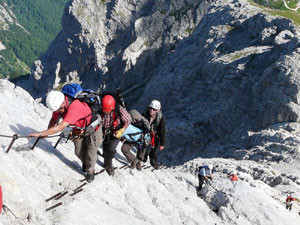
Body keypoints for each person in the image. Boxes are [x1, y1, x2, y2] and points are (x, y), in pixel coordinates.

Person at [28, 91, 102, 183]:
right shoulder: (59, 107)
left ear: (63, 102)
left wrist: (40, 134)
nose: (59, 111)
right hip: (79, 129)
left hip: (94, 128)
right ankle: (86, 163)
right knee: (78, 151)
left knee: (91, 151)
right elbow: (54, 119)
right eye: (57, 110)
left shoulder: (75, 107)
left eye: (60, 109)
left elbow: (59, 127)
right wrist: (46, 133)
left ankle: (90, 170)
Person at [100, 95, 132, 176]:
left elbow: (128, 119)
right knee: (106, 145)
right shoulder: (100, 108)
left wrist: (122, 130)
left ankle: (108, 165)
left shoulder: (119, 109)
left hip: (116, 132)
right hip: (105, 131)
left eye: (107, 111)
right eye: (104, 111)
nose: (105, 113)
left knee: (110, 148)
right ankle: (106, 154)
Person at [136, 99, 166, 170]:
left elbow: (162, 131)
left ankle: (153, 161)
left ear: (157, 111)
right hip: (146, 134)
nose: (151, 110)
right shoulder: (145, 115)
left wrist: (162, 144)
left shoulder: (161, 119)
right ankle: (144, 157)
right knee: (143, 147)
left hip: (155, 136)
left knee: (154, 150)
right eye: (150, 108)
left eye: (154, 109)